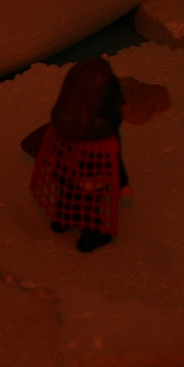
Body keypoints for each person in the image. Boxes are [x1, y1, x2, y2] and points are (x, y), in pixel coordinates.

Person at [23, 58, 129, 253]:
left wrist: (122, 183)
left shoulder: (106, 140)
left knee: (84, 207)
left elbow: (115, 160)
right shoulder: (67, 130)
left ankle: (86, 231)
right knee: (70, 201)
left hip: (89, 180)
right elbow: (46, 142)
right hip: (73, 177)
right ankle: (68, 221)